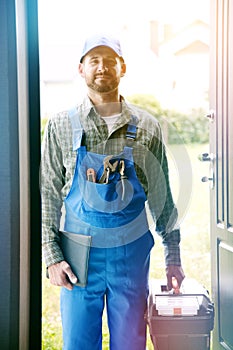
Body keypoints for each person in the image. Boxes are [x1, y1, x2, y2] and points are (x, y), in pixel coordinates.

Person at [41, 34, 185, 350]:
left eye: (109, 60)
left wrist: (173, 256)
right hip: (78, 260)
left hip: (130, 256)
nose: (102, 67)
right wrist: (52, 256)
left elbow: (162, 197)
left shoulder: (147, 126)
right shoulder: (61, 125)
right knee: (78, 344)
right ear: (81, 69)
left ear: (122, 68)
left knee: (131, 344)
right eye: (94, 60)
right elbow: (48, 194)